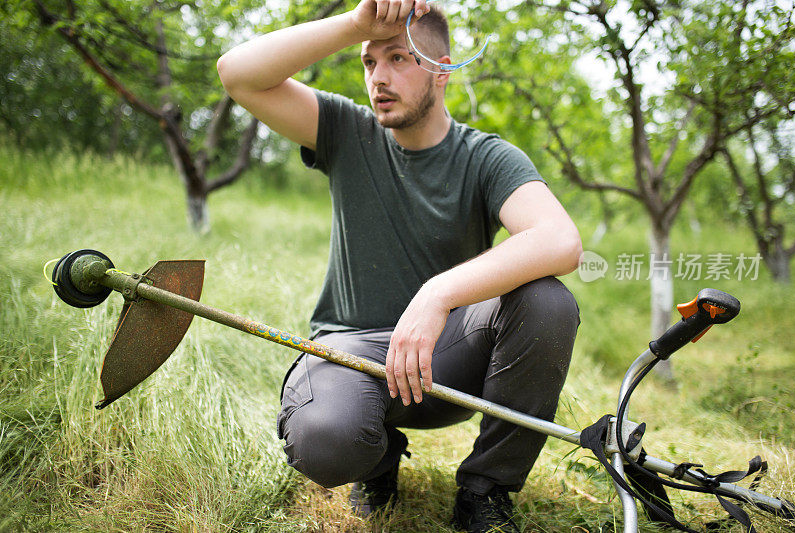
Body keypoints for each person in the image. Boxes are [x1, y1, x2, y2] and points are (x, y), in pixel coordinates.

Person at [217, 1, 581, 531]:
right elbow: (237, 74)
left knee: (547, 301)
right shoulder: (345, 130)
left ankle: (486, 490)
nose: (379, 78)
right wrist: (356, 25)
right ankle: (378, 458)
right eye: (369, 62)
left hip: (448, 359)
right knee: (325, 439)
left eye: (399, 59)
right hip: (353, 350)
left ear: (442, 69)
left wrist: (438, 295)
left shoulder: (486, 157)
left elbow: (560, 240)